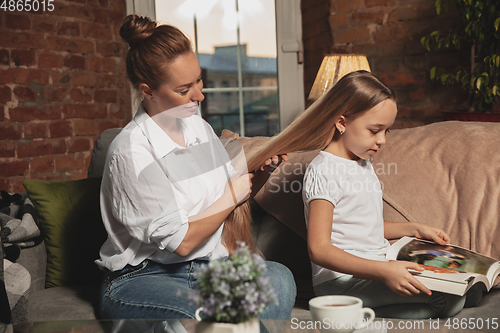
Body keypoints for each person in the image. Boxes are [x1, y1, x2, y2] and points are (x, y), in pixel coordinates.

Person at [96, 14, 296, 320]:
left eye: (199, 80)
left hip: (210, 268)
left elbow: (234, 195)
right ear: (148, 91)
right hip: (145, 277)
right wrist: (232, 194)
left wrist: (263, 171)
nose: (199, 95)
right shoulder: (131, 150)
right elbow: (184, 243)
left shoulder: (197, 128)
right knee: (214, 315)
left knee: (278, 277)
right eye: (183, 89)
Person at [298, 70, 482, 319]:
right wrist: (384, 272)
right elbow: (318, 249)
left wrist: (415, 228)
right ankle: (351, 312)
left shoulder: (362, 163)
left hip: (380, 265)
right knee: (445, 299)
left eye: (387, 131)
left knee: (461, 282)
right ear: (342, 123)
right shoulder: (324, 171)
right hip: (340, 282)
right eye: (375, 130)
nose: (382, 140)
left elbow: (364, 227)